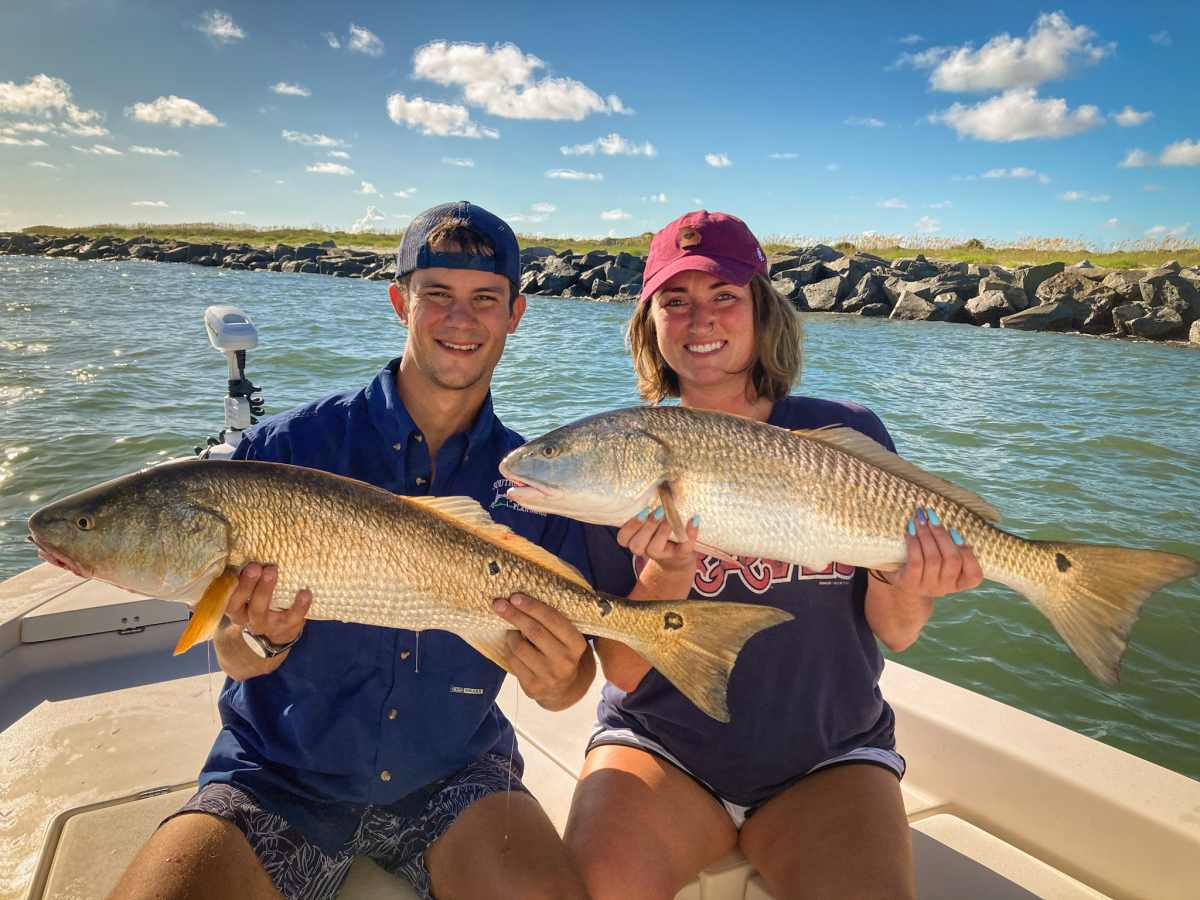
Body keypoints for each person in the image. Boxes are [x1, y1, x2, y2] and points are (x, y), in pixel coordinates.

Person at [111, 202, 593, 900]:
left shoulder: (534, 483)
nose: (461, 319)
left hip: (458, 775)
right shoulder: (283, 452)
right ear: (401, 301)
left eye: (485, 299)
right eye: (437, 295)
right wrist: (257, 637)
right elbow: (235, 654)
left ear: (514, 314)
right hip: (278, 776)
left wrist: (559, 679)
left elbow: (571, 686)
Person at [563, 210, 983, 899]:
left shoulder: (848, 431)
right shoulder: (615, 461)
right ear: (650, 323)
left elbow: (900, 630)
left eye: (723, 296)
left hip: (829, 756)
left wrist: (908, 572)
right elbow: (628, 674)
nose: (700, 320)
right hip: (662, 749)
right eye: (675, 300)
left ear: (763, 310)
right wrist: (665, 572)